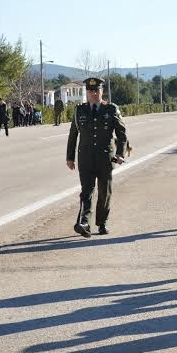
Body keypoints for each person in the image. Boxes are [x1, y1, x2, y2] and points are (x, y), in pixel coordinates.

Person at [66, 77, 128, 237]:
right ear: (86, 92)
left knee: (104, 192)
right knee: (86, 191)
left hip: (105, 158)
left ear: (102, 91)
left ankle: (102, 223)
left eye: (96, 90)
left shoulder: (111, 109)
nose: (93, 93)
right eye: (90, 91)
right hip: (85, 158)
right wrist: (70, 157)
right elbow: (73, 135)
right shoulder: (79, 110)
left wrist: (120, 153)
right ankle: (84, 222)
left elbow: (122, 134)